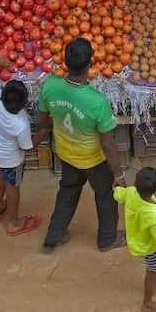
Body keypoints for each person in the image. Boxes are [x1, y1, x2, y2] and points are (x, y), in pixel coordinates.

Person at [36, 38, 127, 253]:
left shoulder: (50, 85)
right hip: (92, 159)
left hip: (66, 152)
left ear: (65, 62)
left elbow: (42, 121)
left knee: (67, 191)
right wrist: (119, 175)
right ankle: (107, 239)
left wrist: (50, 127)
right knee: (106, 196)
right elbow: (108, 144)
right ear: (90, 63)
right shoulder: (97, 102)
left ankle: (54, 236)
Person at [0, 55, 45, 236]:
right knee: (13, 186)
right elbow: (27, 147)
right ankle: (13, 222)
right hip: (10, 159)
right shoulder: (21, 123)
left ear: (2, 93)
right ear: (24, 103)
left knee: (1, 173)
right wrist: (44, 132)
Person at [114, 167, 156, 312]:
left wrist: (116, 189)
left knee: (153, 271)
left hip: (138, 240)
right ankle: (147, 302)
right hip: (150, 247)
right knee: (152, 271)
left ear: (136, 184)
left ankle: (154, 284)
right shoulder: (154, 215)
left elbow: (120, 194)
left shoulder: (132, 192)